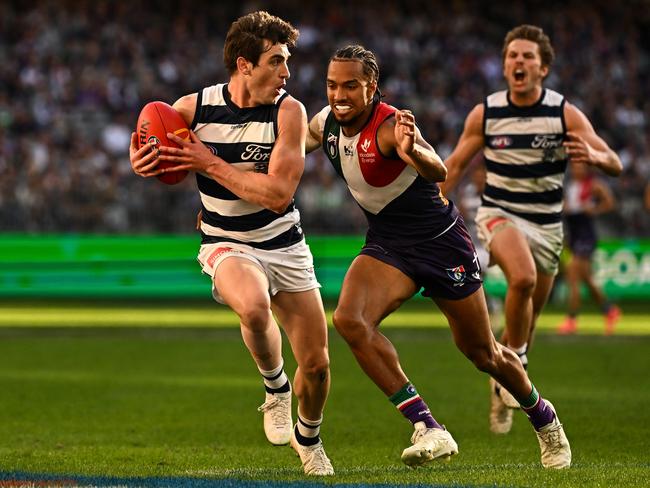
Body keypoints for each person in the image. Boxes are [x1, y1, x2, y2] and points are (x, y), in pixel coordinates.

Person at [306, 44, 571, 469]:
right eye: (332, 85)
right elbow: (283, 153)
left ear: (372, 87)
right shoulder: (325, 125)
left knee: (482, 352)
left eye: (351, 86)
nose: (339, 94)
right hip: (388, 244)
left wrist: (415, 151)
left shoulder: (393, 126)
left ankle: (544, 417)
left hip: (441, 242)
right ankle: (428, 426)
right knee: (349, 320)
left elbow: (438, 170)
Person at [128, 11, 333, 476]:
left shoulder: (290, 112)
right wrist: (140, 157)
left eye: (287, 61)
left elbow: (279, 196)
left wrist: (207, 162)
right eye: (276, 61)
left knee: (318, 367)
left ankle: (310, 436)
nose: (286, 72)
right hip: (225, 241)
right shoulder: (193, 108)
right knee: (254, 307)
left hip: (284, 243)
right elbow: (147, 131)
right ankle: (275, 387)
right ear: (244, 65)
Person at [441, 25, 622, 434]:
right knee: (520, 278)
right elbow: (453, 166)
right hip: (499, 214)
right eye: (512, 56)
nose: (518, 62)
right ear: (505, 66)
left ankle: (502, 380)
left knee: (529, 316)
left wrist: (595, 154)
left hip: (547, 227)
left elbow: (614, 162)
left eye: (527, 57)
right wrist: (430, 203)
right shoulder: (485, 113)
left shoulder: (563, 112)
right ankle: (516, 363)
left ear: (542, 68)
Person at [557, 162, 620, 335]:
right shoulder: (569, 186)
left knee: (572, 274)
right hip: (574, 234)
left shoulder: (594, 185)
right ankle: (609, 311)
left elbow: (610, 202)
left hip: (586, 235)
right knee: (586, 279)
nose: (577, 169)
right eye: (575, 167)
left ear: (587, 169)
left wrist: (594, 209)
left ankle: (571, 319)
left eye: (581, 167)